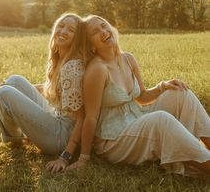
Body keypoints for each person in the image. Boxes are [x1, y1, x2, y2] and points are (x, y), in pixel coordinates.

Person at [68, 15, 210, 176]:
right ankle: (205, 161)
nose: (103, 32)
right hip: (114, 140)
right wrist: (84, 158)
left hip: (135, 116)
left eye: (104, 26)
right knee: (160, 119)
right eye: (95, 32)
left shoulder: (128, 59)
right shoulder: (97, 69)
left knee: (182, 94)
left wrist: (162, 86)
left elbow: (141, 97)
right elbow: (91, 117)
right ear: (90, 44)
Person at [0, 13, 85, 173]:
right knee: (14, 81)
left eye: (71, 29)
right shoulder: (62, 59)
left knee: (4, 92)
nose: (63, 31)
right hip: (56, 119)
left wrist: (65, 156)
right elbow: (51, 87)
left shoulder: (72, 68)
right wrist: (17, 88)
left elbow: (82, 117)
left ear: (77, 38)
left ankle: (12, 138)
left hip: (61, 137)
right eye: (61, 26)